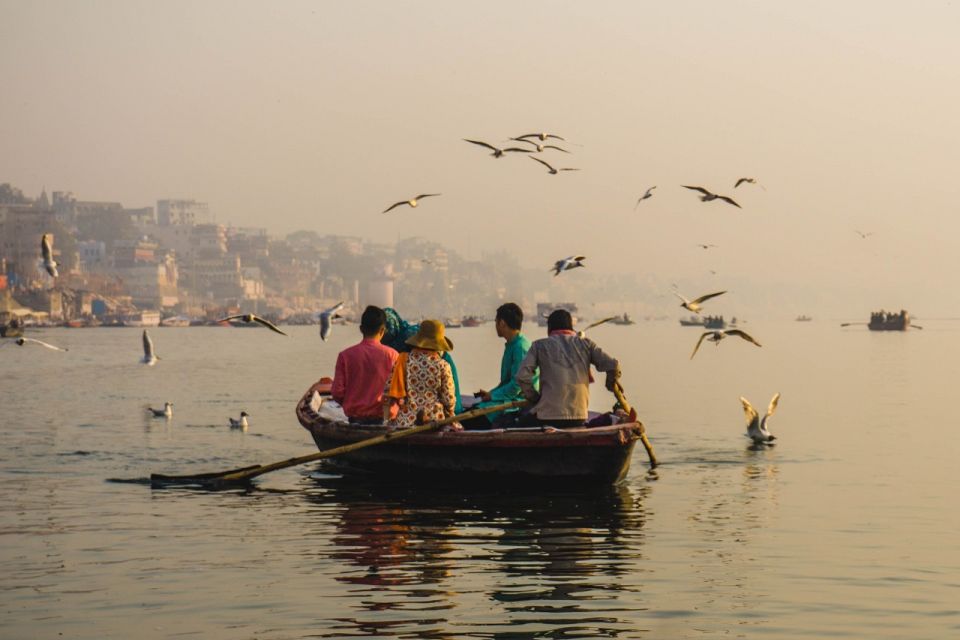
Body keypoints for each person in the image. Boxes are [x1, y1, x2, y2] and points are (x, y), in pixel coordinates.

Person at [514, 308, 620, 428]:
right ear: (571, 327)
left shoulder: (539, 346)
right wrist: (611, 382)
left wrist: (535, 398)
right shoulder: (586, 344)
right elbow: (612, 365)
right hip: (579, 416)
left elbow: (522, 377)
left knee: (516, 422)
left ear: (549, 329)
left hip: (547, 417)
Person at [461, 303, 537, 430]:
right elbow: (506, 382)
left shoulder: (520, 347)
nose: (495, 326)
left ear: (502, 323)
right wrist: (491, 393)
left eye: (496, 322)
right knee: (467, 414)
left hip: (515, 404)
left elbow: (517, 386)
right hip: (504, 400)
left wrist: (492, 396)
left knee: (464, 422)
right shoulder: (512, 344)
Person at [382, 307, 463, 413]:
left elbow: (389, 391)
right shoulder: (443, 365)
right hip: (435, 417)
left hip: (408, 418)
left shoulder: (402, 360)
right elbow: (449, 400)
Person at [331, 306, 399, 424]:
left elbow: (337, 393)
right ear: (382, 330)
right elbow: (400, 392)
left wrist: (352, 404)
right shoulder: (393, 355)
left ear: (361, 329)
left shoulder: (345, 356)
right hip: (386, 421)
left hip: (355, 419)